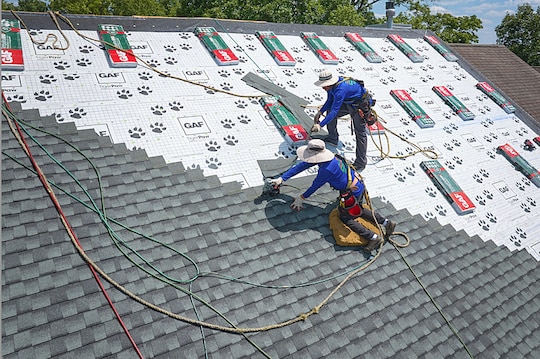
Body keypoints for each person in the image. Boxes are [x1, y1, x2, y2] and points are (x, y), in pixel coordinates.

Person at [270, 139, 395, 253]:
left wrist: (301, 198)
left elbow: (315, 185)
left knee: (346, 217)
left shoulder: (327, 169)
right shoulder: (330, 158)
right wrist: (282, 178)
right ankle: (386, 222)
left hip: (352, 191)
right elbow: (302, 166)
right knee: (358, 210)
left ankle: (372, 237)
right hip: (356, 184)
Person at [310, 69, 375, 171]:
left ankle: (360, 163)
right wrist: (321, 112)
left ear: (330, 83)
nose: (323, 88)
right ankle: (333, 138)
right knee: (329, 110)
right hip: (348, 102)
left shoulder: (340, 90)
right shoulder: (332, 87)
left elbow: (335, 111)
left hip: (360, 105)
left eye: (324, 86)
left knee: (360, 132)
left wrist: (320, 125)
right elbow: (329, 101)